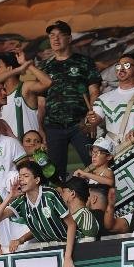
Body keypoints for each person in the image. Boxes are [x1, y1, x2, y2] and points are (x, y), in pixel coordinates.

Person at [0, 160, 78, 267]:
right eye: (20, 176)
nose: (21, 180)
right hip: (51, 251)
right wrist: (10, 197)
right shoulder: (21, 201)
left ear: (37, 180)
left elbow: (71, 225)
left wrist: (67, 257)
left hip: (72, 246)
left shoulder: (50, 195)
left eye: (26, 176)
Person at [40, 20, 102, 178]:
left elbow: (94, 92)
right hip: (53, 127)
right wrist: (41, 129)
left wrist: (91, 118)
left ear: (69, 38)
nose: (55, 39)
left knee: (95, 164)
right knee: (54, 174)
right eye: (52, 35)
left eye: (60, 35)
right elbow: (41, 102)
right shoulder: (45, 67)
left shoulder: (84, 62)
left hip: (80, 124)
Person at [0, 53, 50, 138]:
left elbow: (47, 82)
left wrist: (27, 65)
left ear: (10, 69)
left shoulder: (24, 88)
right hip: (8, 148)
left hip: (28, 147)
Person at [60, 177, 101, 242]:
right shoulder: (66, 215)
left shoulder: (86, 217)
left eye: (63, 192)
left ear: (72, 193)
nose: (60, 195)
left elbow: (88, 246)